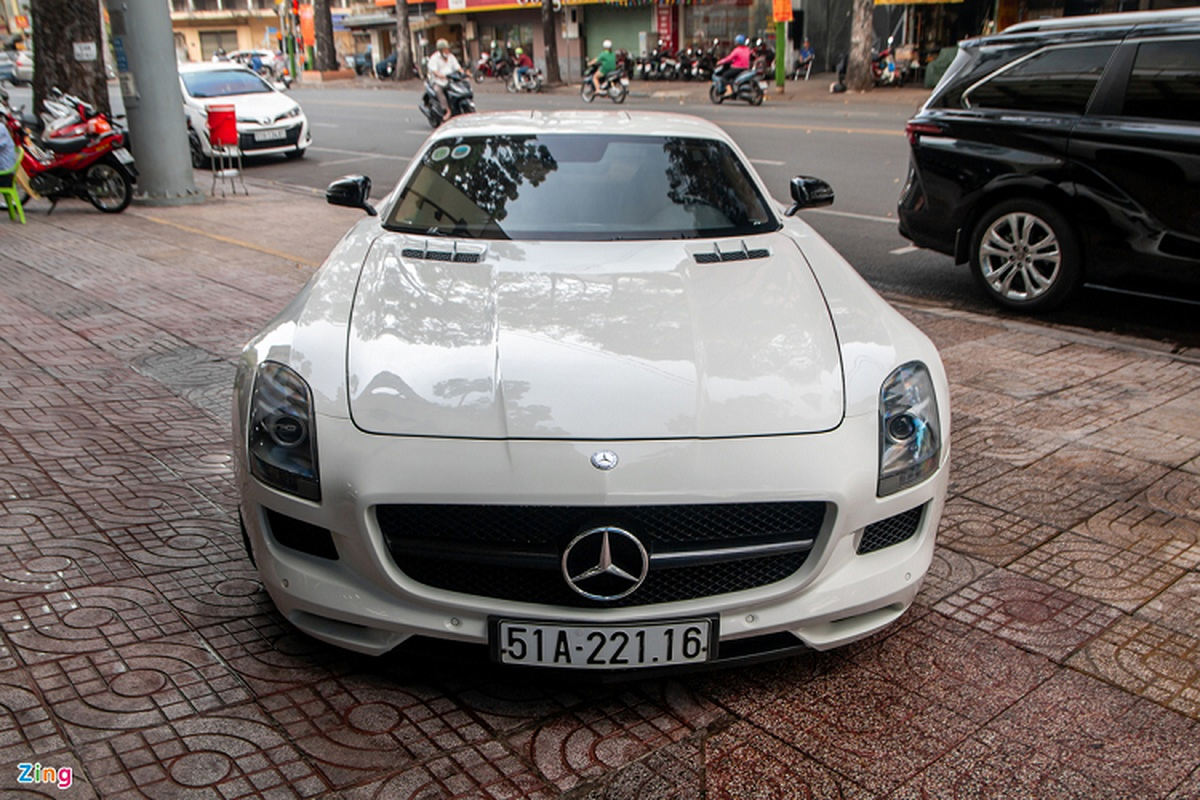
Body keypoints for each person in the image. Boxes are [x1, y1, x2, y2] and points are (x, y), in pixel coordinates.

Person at [427, 39, 463, 121]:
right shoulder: (434, 58)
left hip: (451, 80)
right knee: (438, 90)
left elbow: (457, 67)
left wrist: (464, 73)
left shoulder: (451, 57)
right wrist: (441, 76)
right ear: (440, 50)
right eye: (445, 49)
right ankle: (447, 110)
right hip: (438, 81)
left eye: (447, 49)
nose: (447, 51)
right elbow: (434, 71)